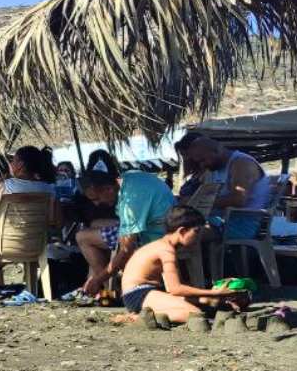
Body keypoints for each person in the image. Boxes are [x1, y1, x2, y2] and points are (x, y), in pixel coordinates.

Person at [121, 206, 249, 324]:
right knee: (194, 315)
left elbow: (180, 288)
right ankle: (137, 318)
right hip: (137, 294)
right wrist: (214, 293)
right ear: (182, 231)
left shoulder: (167, 247)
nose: (199, 237)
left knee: (211, 303)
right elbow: (175, 289)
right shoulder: (166, 250)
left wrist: (215, 297)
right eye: (196, 232)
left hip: (150, 292)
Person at [0, 147, 59, 298]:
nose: (11, 164)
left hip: (5, 245)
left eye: (13, 160)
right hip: (36, 245)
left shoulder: (5, 186)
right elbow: (54, 220)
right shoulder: (49, 189)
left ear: (20, 165)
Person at [75, 167, 175, 296]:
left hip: (155, 235)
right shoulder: (128, 178)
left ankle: (108, 291)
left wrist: (98, 279)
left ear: (108, 189)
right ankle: (101, 284)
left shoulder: (131, 204)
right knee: (94, 226)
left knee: (83, 237)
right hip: (159, 223)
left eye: (97, 198)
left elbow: (126, 249)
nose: (97, 204)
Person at [174, 133, 271, 237]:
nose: (202, 165)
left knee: (182, 235)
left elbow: (238, 200)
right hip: (224, 221)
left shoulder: (241, 163)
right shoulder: (215, 168)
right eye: (199, 162)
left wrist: (197, 201)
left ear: (217, 151)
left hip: (244, 225)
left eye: (203, 160)